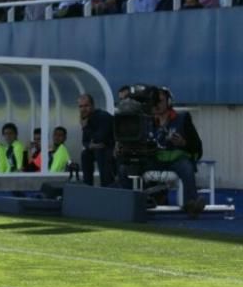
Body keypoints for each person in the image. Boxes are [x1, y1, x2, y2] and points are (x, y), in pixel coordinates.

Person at [119, 88, 205, 216]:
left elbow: (198, 147)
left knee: (187, 167)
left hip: (176, 160)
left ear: (169, 101)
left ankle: (192, 204)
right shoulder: (145, 120)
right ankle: (128, 203)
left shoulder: (183, 118)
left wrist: (183, 143)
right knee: (124, 168)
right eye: (153, 101)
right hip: (153, 159)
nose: (156, 104)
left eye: (160, 101)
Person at [78, 93, 115, 187]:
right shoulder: (86, 119)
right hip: (96, 149)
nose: (83, 109)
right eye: (81, 106)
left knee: (100, 152)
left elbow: (101, 138)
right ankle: (87, 185)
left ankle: (106, 185)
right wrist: (90, 146)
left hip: (110, 148)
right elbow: (85, 141)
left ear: (92, 105)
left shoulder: (103, 116)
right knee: (85, 154)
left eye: (86, 106)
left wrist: (85, 127)